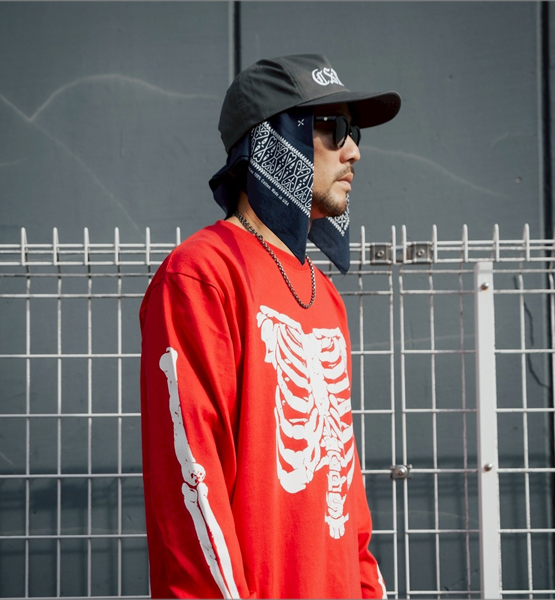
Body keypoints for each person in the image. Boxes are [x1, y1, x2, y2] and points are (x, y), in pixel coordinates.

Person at [139, 54, 401, 599]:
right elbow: (192, 486)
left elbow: (346, 493)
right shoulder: (202, 275)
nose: (354, 151)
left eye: (354, 133)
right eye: (334, 129)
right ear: (280, 139)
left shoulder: (325, 295)